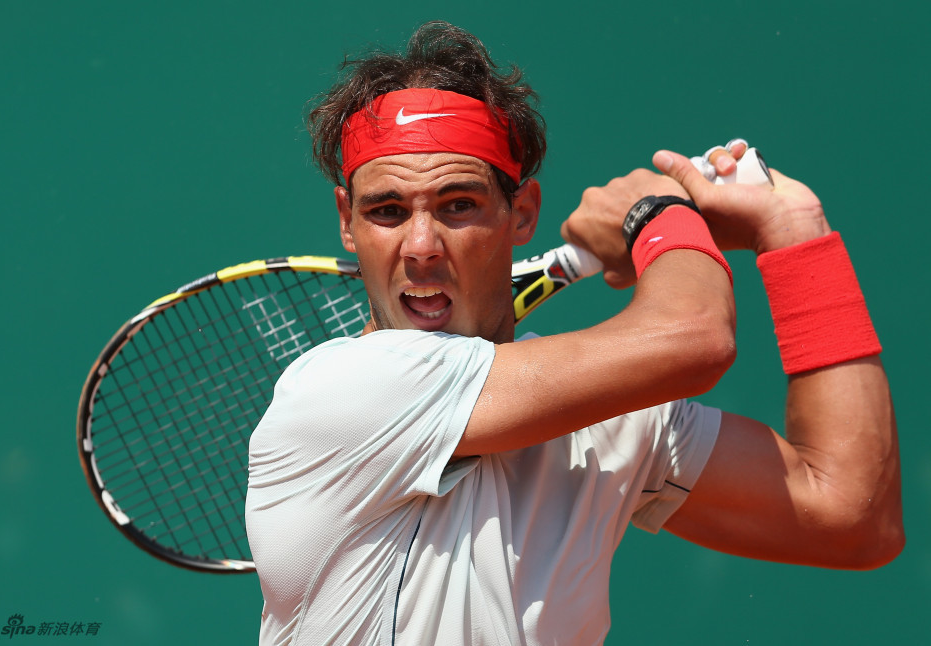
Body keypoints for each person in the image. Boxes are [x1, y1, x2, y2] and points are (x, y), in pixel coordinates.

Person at [245, 21, 903, 645]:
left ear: (522, 211)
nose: (420, 246)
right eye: (387, 211)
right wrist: (658, 217)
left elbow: (853, 518)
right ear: (346, 222)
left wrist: (795, 235)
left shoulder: (607, 419)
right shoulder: (337, 392)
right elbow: (695, 338)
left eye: (458, 205)